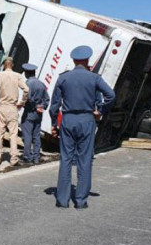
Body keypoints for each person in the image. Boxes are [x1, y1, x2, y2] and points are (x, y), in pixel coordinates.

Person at [49, 46, 115, 209]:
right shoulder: (94, 78)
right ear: (87, 60)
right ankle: (80, 200)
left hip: (68, 119)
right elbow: (111, 95)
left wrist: (53, 124)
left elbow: (54, 105)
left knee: (65, 159)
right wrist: (100, 110)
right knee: (84, 160)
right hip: (87, 119)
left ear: (73, 60)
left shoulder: (63, 78)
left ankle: (62, 200)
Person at [0, 57, 29, 166]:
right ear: (12, 65)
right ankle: (13, 159)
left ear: (4, 65)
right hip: (13, 107)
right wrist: (22, 102)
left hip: (1, 106)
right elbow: (26, 89)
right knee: (13, 134)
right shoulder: (17, 76)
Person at [20, 63, 49, 165]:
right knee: (36, 135)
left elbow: (29, 99)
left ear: (27, 73)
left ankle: (27, 157)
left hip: (29, 112)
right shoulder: (41, 84)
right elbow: (47, 99)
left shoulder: (28, 83)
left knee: (27, 135)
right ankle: (36, 157)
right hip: (38, 114)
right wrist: (42, 106)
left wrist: (35, 106)